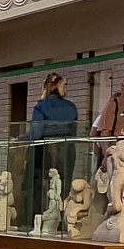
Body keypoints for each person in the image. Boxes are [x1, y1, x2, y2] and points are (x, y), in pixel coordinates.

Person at [30, 72, 79, 216]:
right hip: (68, 148)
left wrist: (21, 138)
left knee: (47, 183)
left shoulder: (41, 106)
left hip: (47, 148)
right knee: (65, 183)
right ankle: (62, 218)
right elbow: (74, 132)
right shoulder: (71, 107)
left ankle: (45, 217)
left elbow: (37, 133)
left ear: (45, 87)